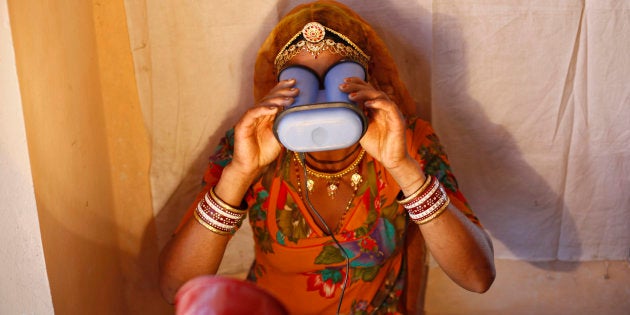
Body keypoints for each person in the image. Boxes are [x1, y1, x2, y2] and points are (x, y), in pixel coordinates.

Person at [159, 1, 495, 314]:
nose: (320, 98)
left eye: (338, 78)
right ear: (278, 90)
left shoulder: (407, 140)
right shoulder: (250, 144)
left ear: (369, 81)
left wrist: (402, 167)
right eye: (299, 83)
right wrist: (240, 172)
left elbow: (478, 278)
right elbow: (175, 286)